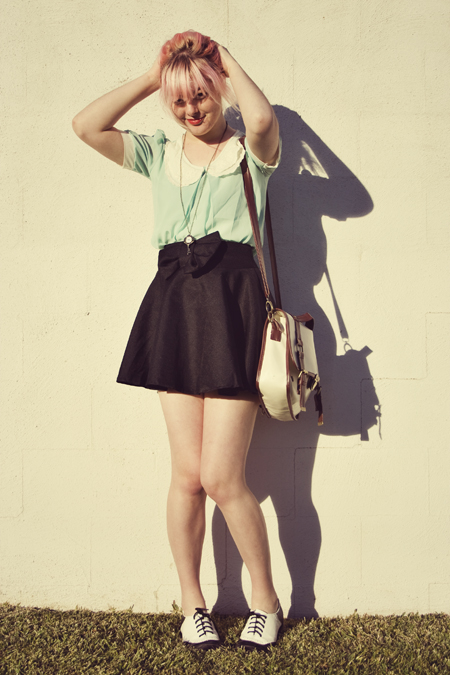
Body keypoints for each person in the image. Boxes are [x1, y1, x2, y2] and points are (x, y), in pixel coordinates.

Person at [72, 30, 282, 651]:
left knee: (222, 476)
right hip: (175, 306)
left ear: (218, 89)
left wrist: (223, 58)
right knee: (187, 476)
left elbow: (261, 117)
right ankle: (193, 604)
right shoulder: (157, 152)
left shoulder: (250, 152)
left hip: (234, 307)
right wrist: (154, 74)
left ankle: (265, 602)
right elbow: (86, 125)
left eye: (201, 95)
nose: (191, 108)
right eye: (180, 100)